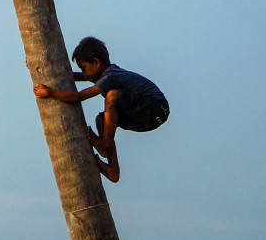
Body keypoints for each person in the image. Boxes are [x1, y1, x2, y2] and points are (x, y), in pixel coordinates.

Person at [33, 37, 170, 184]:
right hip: (143, 118)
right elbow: (72, 76)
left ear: (96, 63)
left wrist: (50, 93)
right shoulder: (102, 75)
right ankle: (113, 170)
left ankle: (105, 145)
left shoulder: (111, 76)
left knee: (112, 96)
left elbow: (78, 96)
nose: (83, 73)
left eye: (84, 68)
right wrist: (39, 68)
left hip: (156, 108)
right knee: (102, 120)